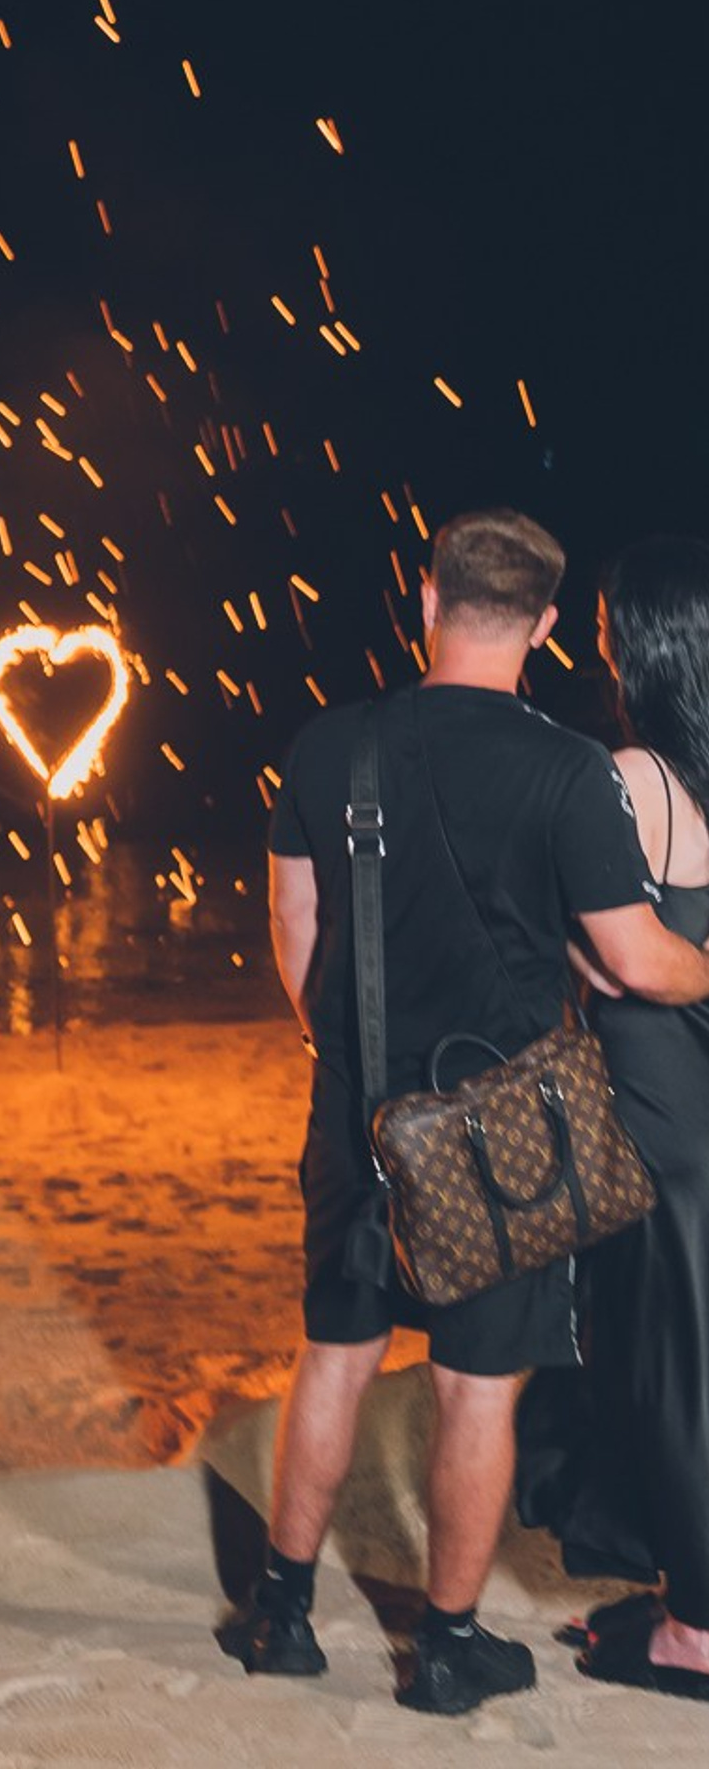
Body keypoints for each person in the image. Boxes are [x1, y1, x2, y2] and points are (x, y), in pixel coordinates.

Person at [244, 509, 709, 1714]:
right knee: (473, 1386)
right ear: (550, 627)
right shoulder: (564, 770)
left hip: (357, 1111)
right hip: (498, 1133)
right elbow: (637, 960)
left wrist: (342, 1053)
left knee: (334, 1357)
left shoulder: (325, 745)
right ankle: (446, 1648)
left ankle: (280, 1614)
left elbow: (296, 932)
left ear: (426, 598)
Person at [516, 535, 709, 1697]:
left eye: (604, 622)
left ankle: (692, 1626)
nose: (593, 638)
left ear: (635, 644)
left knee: (668, 1363)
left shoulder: (634, 778)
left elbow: (597, 950)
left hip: (654, 1111)